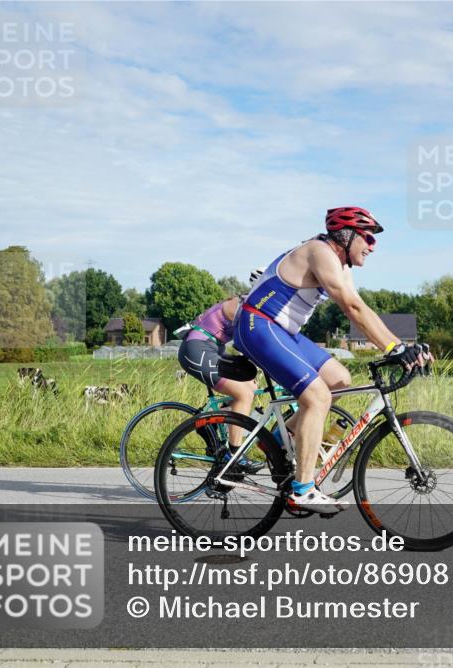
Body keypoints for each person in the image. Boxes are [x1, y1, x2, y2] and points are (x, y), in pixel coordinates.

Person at [234, 207, 429, 513]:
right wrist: (395, 348)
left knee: (339, 379)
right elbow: (351, 307)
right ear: (345, 235)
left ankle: (275, 441)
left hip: (282, 330)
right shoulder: (319, 251)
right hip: (258, 324)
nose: (372, 246)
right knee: (317, 397)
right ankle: (302, 490)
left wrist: (401, 347)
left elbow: (362, 309)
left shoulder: (340, 265)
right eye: (367, 237)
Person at [177, 267, 266, 474]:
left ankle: (216, 425)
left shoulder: (251, 305)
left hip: (211, 348)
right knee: (243, 393)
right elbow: (250, 343)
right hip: (198, 349)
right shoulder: (245, 308)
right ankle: (234, 455)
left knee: (248, 386)